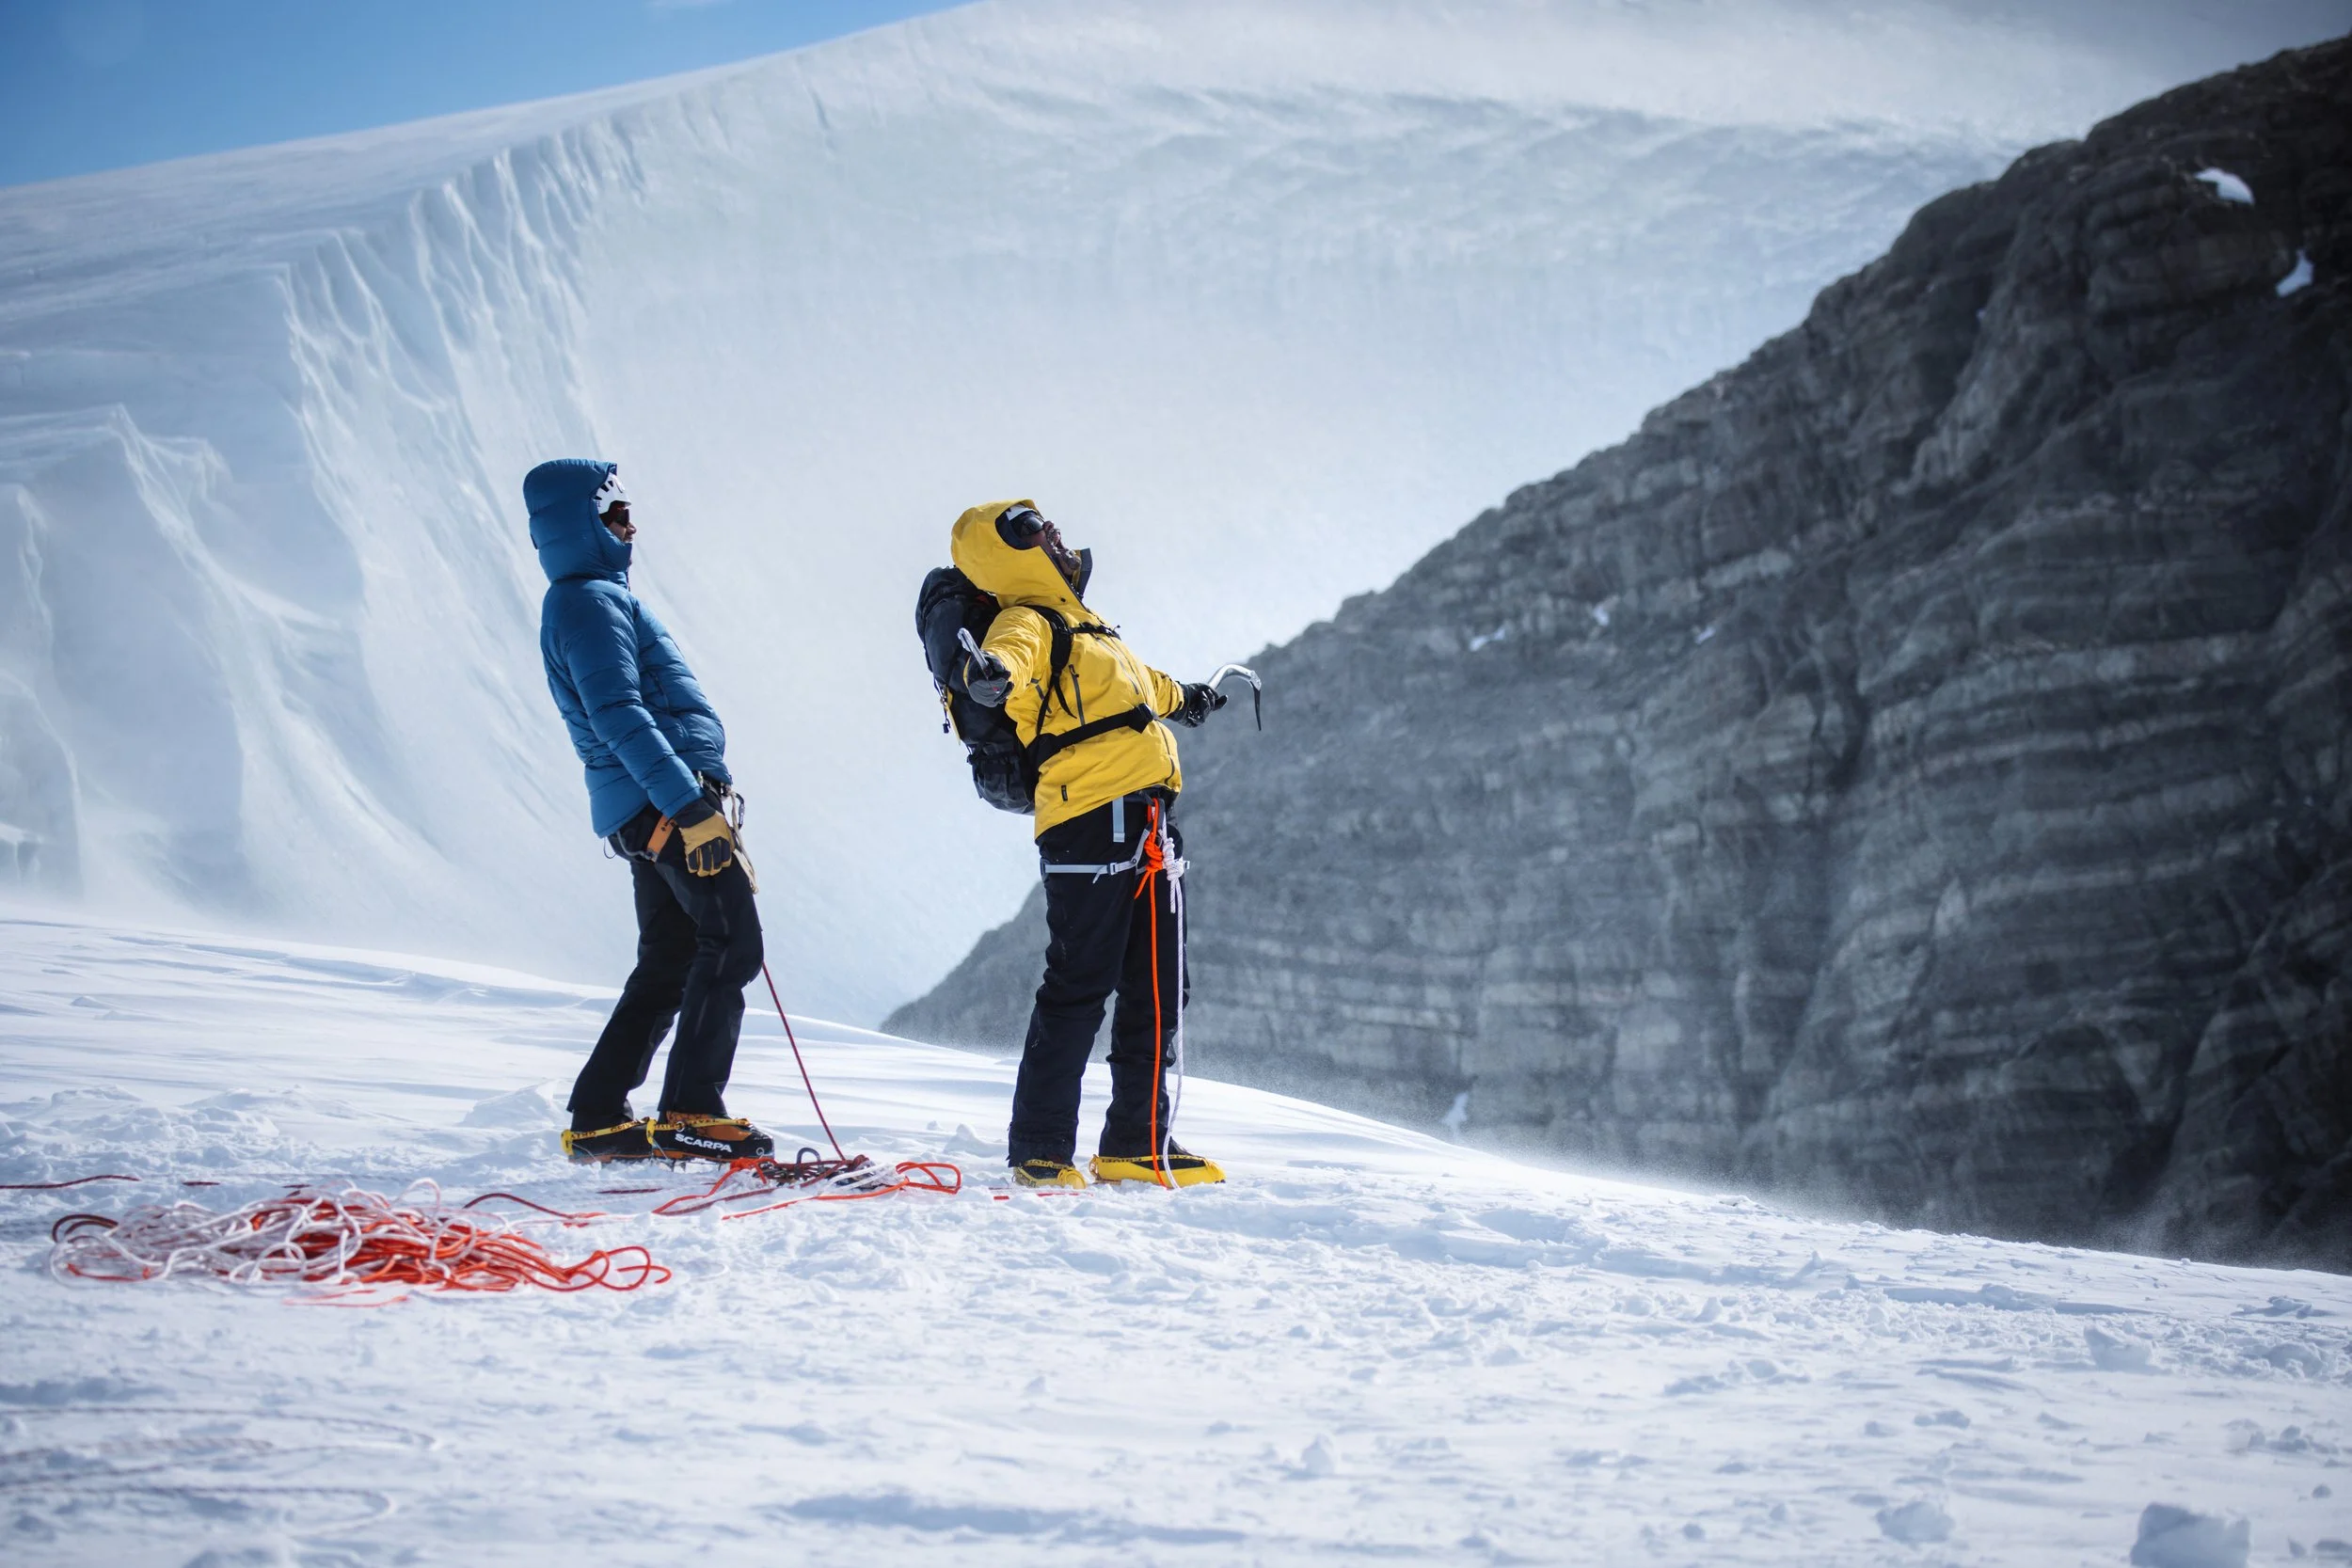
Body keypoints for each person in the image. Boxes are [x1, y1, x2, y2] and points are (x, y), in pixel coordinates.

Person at [952, 499, 1232, 1188]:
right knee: (1080, 983)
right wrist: (987, 673)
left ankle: (1137, 1142)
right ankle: (1040, 1150)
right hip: (1088, 817)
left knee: (1160, 984)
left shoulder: (1087, 626)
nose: (1054, 534)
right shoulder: (1026, 619)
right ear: (1009, 551)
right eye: (1034, 529)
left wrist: (1189, 698)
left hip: (1149, 821)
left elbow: (1142, 688)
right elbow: (1004, 662)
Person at [524, 458, 773, 1164]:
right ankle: (691, 1108)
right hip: (665, 803)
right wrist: (691, 808)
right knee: (731, 939)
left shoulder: (592, 598)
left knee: (671, 957)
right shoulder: (589, 601)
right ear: (582, 523)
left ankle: (600, 1114)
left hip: (646, 806)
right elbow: (619, 713)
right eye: (616, 515)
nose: (631, 526)